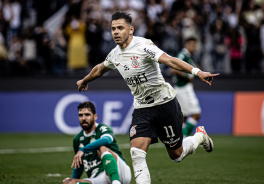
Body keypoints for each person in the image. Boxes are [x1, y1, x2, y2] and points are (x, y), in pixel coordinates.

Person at [76, 11, 219, 184]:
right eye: (113, 28)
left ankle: (200, 136)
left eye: (120, 28)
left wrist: (197, 72)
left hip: (165, 103)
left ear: (131, 30)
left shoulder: (143, 46)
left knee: (177, 155)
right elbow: (100, 68)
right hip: (142, 109)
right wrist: (85, 80)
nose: (115, 32)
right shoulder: (115, 54)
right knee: (136, 153)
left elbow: (170, 60)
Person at [62, 101, 131, 184]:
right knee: (67, 182)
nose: (83, 118)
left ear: (95, 116)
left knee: (102, 147)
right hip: (98, 178)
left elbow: (106, 140)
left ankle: (116, 182)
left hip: (120, 172)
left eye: (87, 114)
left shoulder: (103, 129)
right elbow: (79, 165)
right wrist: (73, 180)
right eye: (80, 115)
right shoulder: (77, 139)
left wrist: (83, 149)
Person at [171, 37, 201, 137]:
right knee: (196, 113)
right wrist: (188, 76)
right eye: (192, 45)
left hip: (181, 88)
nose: (194, 47)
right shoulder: (183, 54)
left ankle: (180, 138)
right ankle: (184, 137)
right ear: (186, 45)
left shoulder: (188, 56)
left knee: (183, 116)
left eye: (195, 45)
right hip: (184, 88)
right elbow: (174, 69)